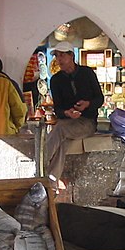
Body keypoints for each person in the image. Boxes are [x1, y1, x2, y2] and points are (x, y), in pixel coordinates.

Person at [46, 41, 104, 184]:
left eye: (62, 55)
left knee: (60, 129)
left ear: (71, 55)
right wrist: (67, 113)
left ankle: (39, 162)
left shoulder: (87, 73)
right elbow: (58, 109)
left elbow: (100, 99)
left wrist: (87, 105)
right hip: (68, 122)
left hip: (87, 122)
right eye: (57, 56)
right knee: (62, 145)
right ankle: (50, 184)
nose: (59, 59)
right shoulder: (56, 80)